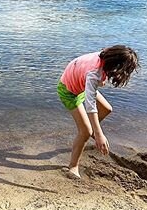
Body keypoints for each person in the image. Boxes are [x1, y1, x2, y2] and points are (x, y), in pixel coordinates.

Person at [57, 45, 139, 179]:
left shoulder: (105, 55)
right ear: (116, 65)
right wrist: (99, 134)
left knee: (107, 109)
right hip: (68, 91)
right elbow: (90, 106)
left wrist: (101, 80)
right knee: (85, 131)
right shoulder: (94, 74)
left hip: (79, 82)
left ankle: (91, 132)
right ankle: (73, 167)